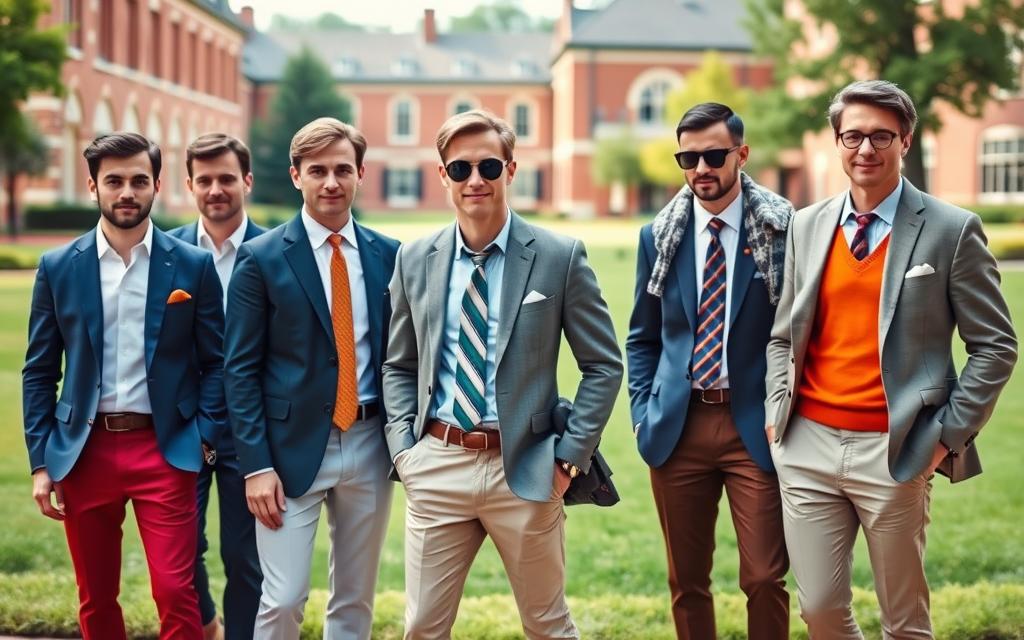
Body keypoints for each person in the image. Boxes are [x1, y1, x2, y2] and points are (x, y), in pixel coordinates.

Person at [765, 79, 1018, 638]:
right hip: (807, 444)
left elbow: (996, 345)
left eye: (882, 136)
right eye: (852, 136)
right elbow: (784, 334)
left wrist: (948, 437)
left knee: (903, 619)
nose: (866, 150)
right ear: (836, 141)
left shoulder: (952, 231)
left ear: (905, 141)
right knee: (820, 610)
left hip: (899, 449)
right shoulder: (806, 225)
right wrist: (777, 403)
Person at [382, 109, 623, 640]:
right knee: (421, 627)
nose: (476, 180)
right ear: (442, 175)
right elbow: (398, 363)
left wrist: (568, 459)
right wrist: (405, 449)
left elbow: (603, 365)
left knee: (549, 626)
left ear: (511, 170)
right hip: (437, 465)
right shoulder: (415, 258)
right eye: (461, 168)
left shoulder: (559, 257)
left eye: (489, 166)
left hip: (528, 470)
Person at [22, 132, 226, 639]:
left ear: (157, 185)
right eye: (114, 181)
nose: (127, 192)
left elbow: (217, 363)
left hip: (166, 449)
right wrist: (42, 462)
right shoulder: (58, 267)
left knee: (177, 592)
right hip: (83, 451)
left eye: (139, 180)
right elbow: (40, 370)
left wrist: (203, 438)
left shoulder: (193, 266)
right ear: (93, 187)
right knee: (95, 597)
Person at [224, 117, 399, 640]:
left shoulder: (388, 254)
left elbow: (401, 358)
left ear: (360, 173)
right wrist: (255, 466)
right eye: (317, 170)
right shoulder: (260, 258)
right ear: (296, 175)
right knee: (281, 600)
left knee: (354, 599)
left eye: (342, 169)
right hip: (288, 451)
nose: (331, 182)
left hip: (370, 442)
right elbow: (239, 369)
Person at [627, 102, 792, 640]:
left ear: (741, 155)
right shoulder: (659, 236)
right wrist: (640, 414)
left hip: (756, 427)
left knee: (766, 576)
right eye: (688, 157)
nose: (701, 168)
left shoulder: (782, 229)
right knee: (687, 581)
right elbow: (643, 337)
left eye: (714, 155)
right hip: (678, 427)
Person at [170, 132, 266, 640]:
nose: (216, 190)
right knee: (180, 550)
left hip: (254, 430)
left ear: (246, 181)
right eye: (204, 180)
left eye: (226, 178)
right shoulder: (168, 253)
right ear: (189, 185)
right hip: (185, 426)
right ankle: (206, 621)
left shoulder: (275, 251)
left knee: (245, 557)